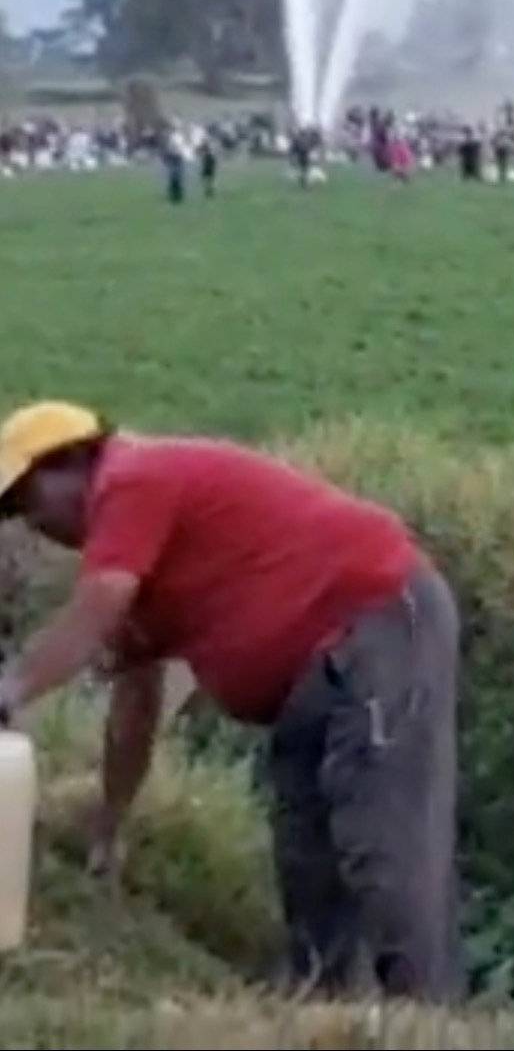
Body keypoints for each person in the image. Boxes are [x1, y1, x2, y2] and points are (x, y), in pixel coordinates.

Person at [0, 402, 464, 1002]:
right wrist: (109, 829)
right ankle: (322, 1014)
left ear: (71, 464)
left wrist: (11, 689)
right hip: (307, 681)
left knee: (385, 842)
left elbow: (96, 608)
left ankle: (433, 1020)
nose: (34, 524)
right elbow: (135, 705)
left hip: (375, 629)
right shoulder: (136, 560)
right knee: (306, 855)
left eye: (29, 501)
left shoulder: (133, 477)